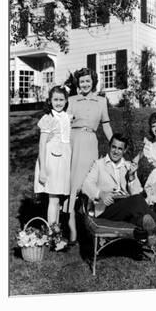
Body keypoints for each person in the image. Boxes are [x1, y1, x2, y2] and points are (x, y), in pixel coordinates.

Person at [82, 134, 156, 247]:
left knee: (141, 214)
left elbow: (137, 192)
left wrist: (132, 177)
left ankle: (148, 229)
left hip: (126, 210)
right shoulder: (99, 164)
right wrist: (100, 193)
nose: (116, 151)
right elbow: (86, 185)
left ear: (124, 150)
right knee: (136, 201)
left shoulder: (128, 166)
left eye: (120, 148)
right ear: (109, 146)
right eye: (114, 147)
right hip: (107, 210)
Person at [65, 67, 113, 244]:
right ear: (78, 83)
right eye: (81, 81)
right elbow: (64, 125)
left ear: (93, 81)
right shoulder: (71, 100)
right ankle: (72, 232)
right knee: (73, 187)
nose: (84, 84)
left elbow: (106, 125)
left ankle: (96, 230)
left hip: (91, 143)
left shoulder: (101, 101)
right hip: (73, 143)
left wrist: (114, 143)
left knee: (92, 185)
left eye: (87, 80)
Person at [34, 86, 71, 227]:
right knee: (53, 199)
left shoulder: (67, 117)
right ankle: (52, 233)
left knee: (58, 199)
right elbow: (42, 144)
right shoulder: (48, 118)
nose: (58, 102)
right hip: (51, 162)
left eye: (61, 99)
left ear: (66, 100)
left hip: (63, 161)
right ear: (50, 101)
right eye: (55, 99)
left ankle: (55, 232)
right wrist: (43, 170)